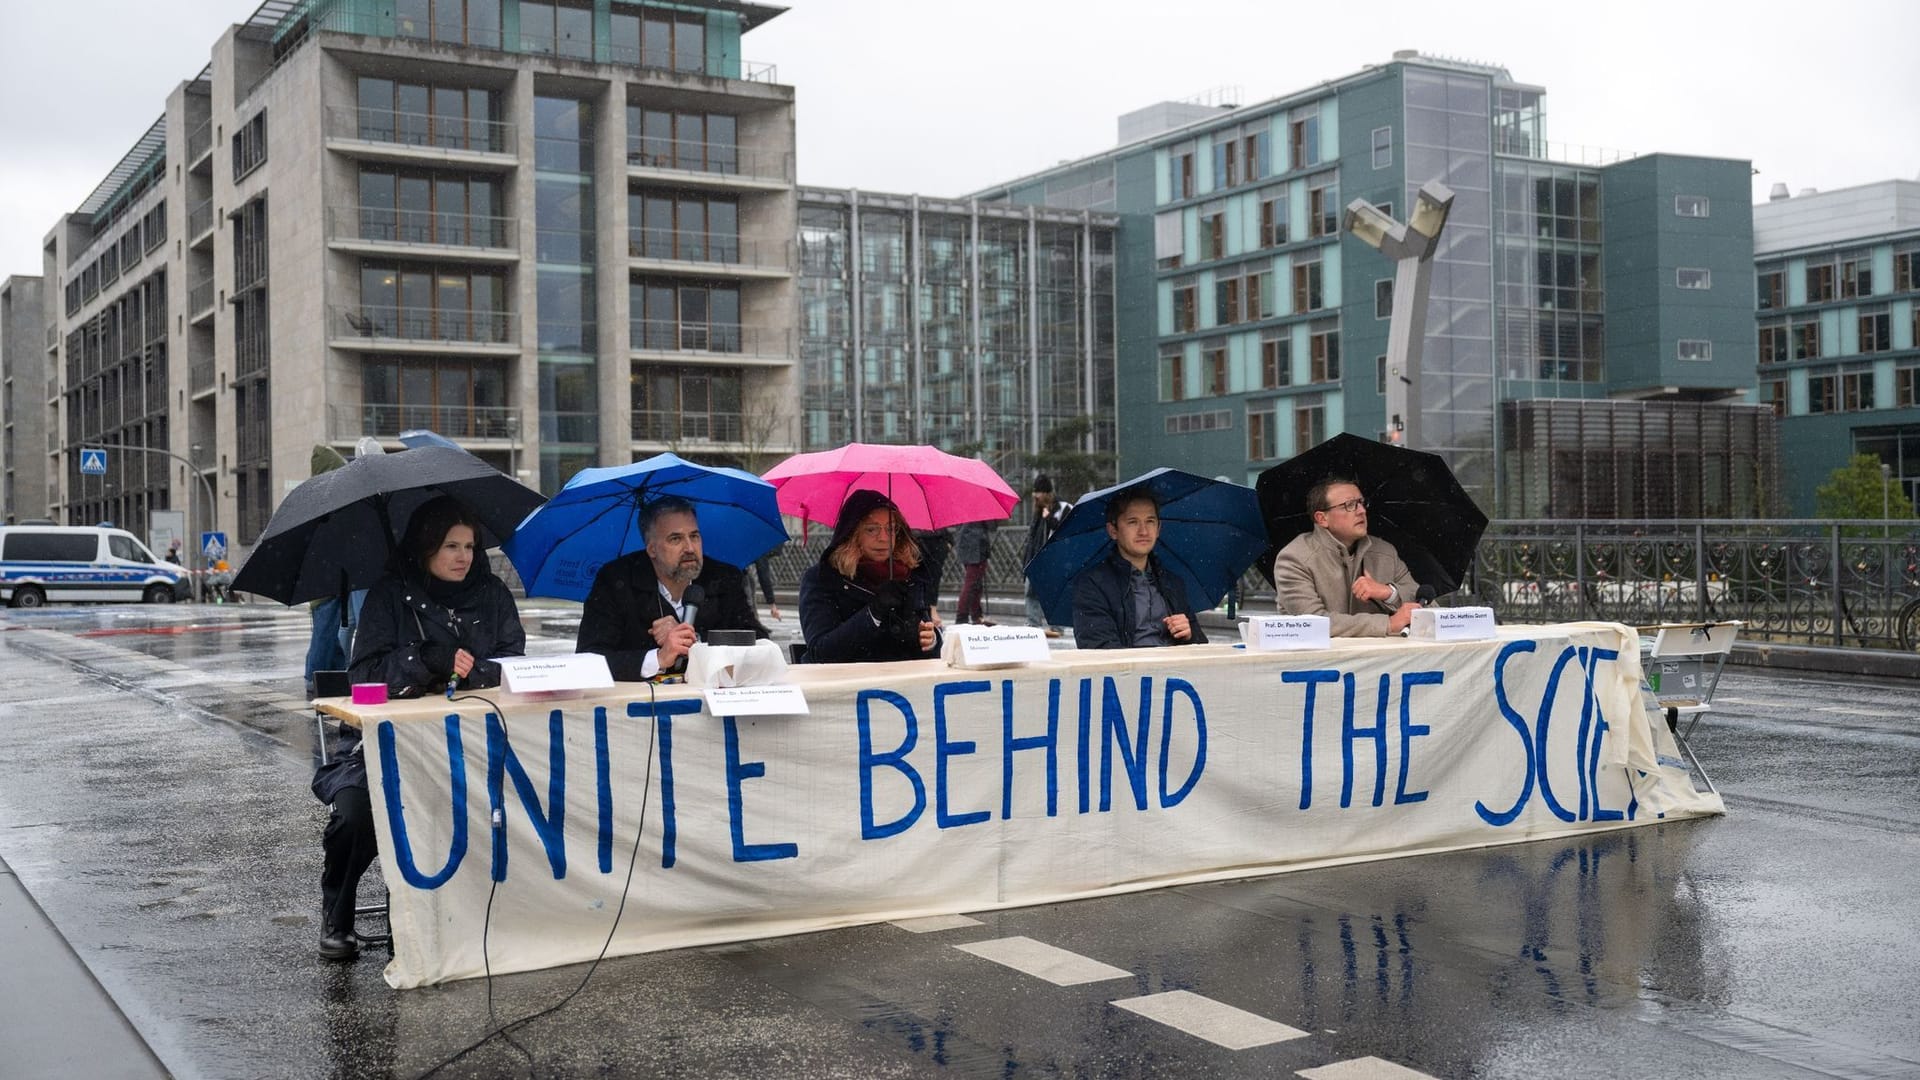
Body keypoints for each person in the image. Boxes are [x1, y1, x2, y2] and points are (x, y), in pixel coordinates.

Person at [321, 497, 525, 962]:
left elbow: (515, 661)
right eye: (450, 545)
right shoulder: (389, 595)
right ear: (425, 547)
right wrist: (422, 660)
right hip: (383, 745)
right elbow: (362, 677)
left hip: (470, 740)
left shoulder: (492, 595)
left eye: (470, 546)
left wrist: (477, 673)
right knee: (356, 815)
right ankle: (337, 908)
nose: (463, 556)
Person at [576, 495, 768, 681]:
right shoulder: (616, 580)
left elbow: (759, 644)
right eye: (675, 539)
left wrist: (696, 643)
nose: (690, 548)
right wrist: (657, 658)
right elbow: (588, 659)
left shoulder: (724, 578)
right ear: (652, 549)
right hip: (641, 707)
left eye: (694, 536)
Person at [798, 490, 943, 663]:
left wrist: (930, 640)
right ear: (852, 534)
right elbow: (821, 653)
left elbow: (928, 650)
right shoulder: (823, 578)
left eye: (890, 528)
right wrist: (873, 613)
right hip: (847, 683)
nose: (883, 538)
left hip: (899, 683)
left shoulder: (907, 574)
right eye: (871, 529)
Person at [1273, 476, 1421, 637]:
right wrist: (1388, 624)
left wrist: (1388, 593)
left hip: (1381, 659)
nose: (1362, 511)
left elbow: (1425, 605)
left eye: (1361, 503)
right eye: (1349, 505)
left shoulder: (1385, 552)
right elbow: (1313, 623)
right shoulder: (1294, 559)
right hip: (1320, 660)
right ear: (1322, 519)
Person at [1071, 486, 1208, 649]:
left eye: (1150, 521)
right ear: (1113, 530)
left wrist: (1190, 634)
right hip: (1131, 672)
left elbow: (1202, 648)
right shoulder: (1092, 585)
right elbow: (1099, 649)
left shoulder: (1172, 583)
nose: (1143, 531)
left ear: (1158, 529)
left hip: (1175, 671)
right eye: (1132, 522)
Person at [1023, 474, 1071, 638]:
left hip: (1055, 559)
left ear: (1047, 493)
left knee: (1054, 594)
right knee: (1031, 593)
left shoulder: (1063, 508)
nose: (1035, 496)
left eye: (1039, 492)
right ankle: (1033, 625)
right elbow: (1032, 538)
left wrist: (1048, 517)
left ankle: (1057, 627)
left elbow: (1064, 531)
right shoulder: (1037, 512)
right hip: (1036, 559)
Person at [954, 519, 992, 625]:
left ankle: (975, 614)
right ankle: (962, 616)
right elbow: (991, 526)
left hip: (967, 544)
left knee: (975, 583)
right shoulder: (980, 508)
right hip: (977, 546)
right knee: (971, 583)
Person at [750, 553, 782, 622]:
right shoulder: (760, 550)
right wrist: (772, 605)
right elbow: (764, 577)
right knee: (749, 585)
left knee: (750, 582)